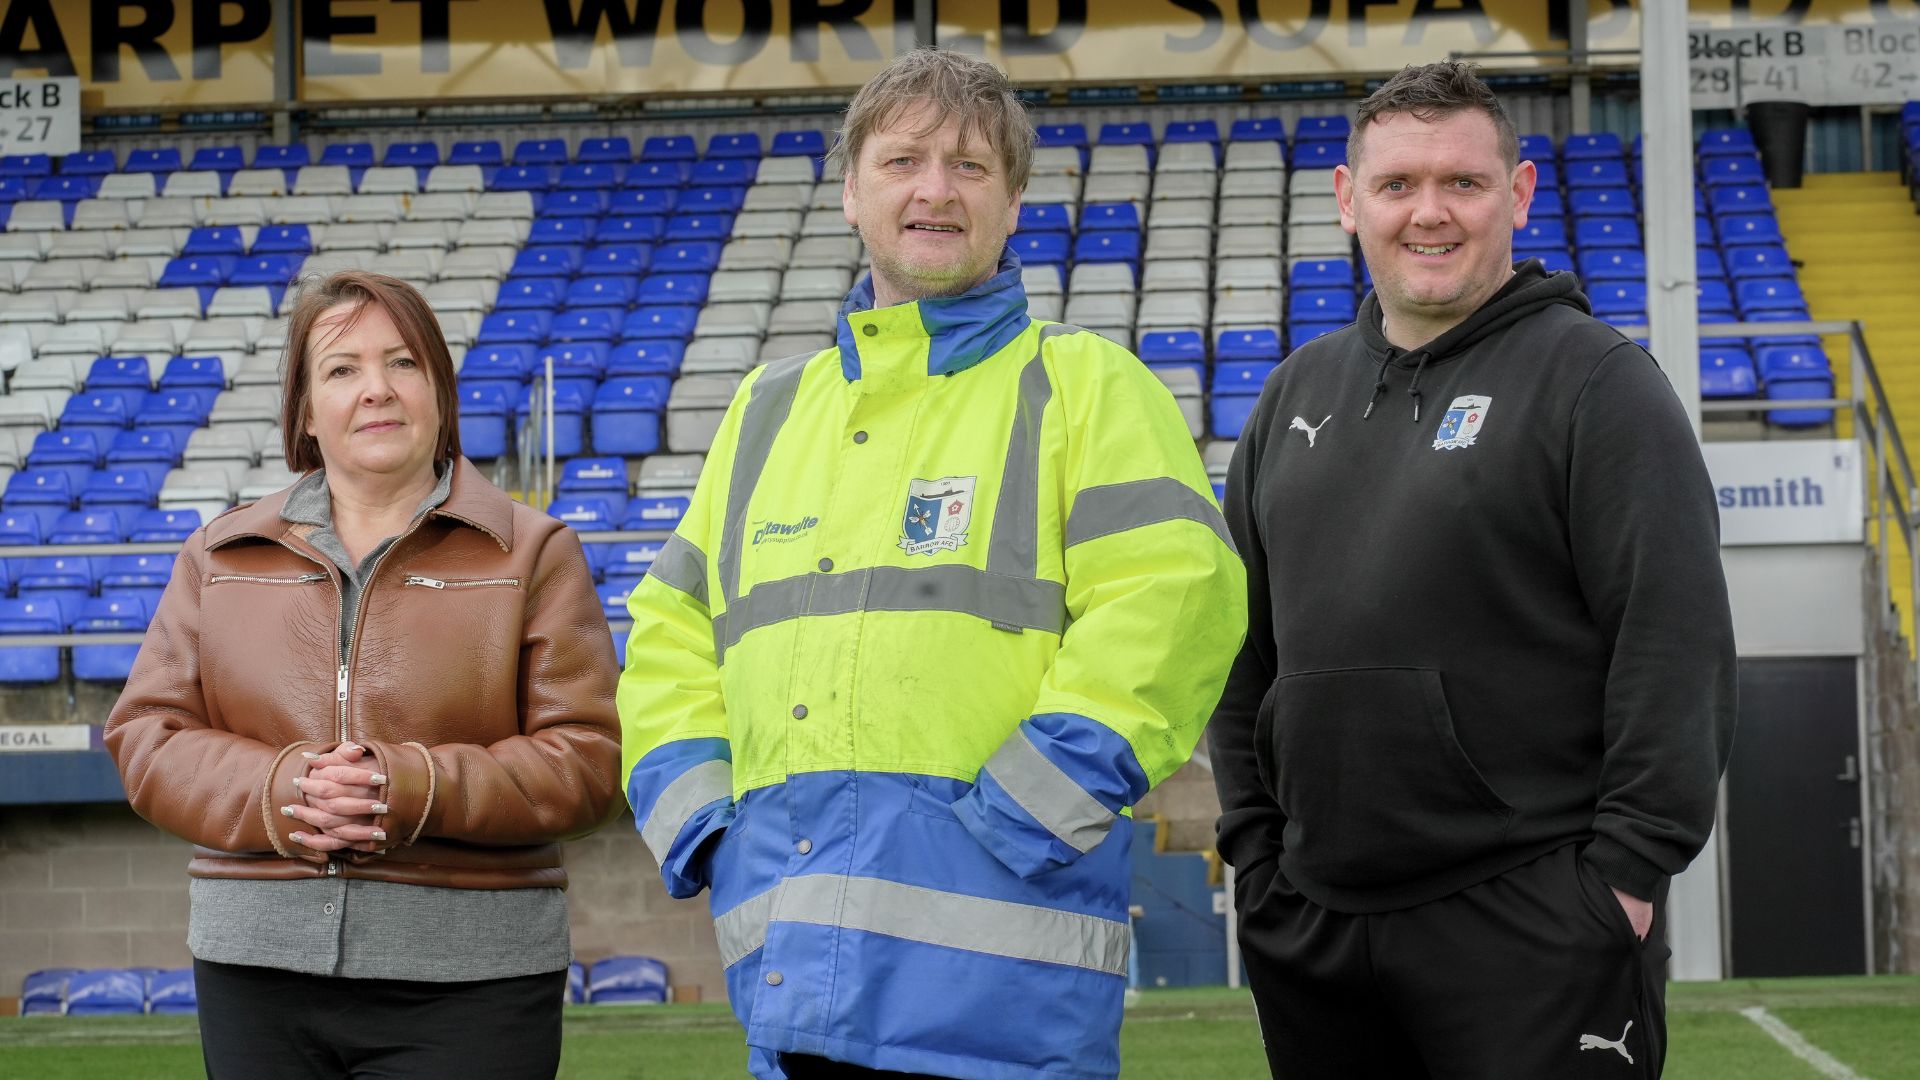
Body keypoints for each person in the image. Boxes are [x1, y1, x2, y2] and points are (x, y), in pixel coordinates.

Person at [619, 47, 1246, 1080]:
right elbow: (672, 632)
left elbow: (1176, 607)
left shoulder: (1087, 388)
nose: (935, 190)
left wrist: (1016, 818)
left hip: (1006, 1009)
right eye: (904, 160)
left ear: (1011, 205)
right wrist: (705, 829)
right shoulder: (767, 409)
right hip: (789, 991)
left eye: (969, 167)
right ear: (852, 194)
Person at [1210, 61, 1737, 1078]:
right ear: (1348, 199)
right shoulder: (1292, 397)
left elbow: (1674, 648)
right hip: (1316, 925)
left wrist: (1621, 882)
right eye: (1399, 184)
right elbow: (1243, 652)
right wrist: (1255, 855)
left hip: (1534, 924)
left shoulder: (1597, 383)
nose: (1429, 213)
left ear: (1520, 194)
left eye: (1463, 182)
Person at [105, 270, 623, 1079]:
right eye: (342, 369)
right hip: (256, 968)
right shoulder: (218, 555)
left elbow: (587, 760)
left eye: (404, 363)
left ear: (440, 391)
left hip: (474, 973)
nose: (376, 390)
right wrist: (284, 790)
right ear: (306, 410)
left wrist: (408, 787)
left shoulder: (535, 551)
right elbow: (147, 738)